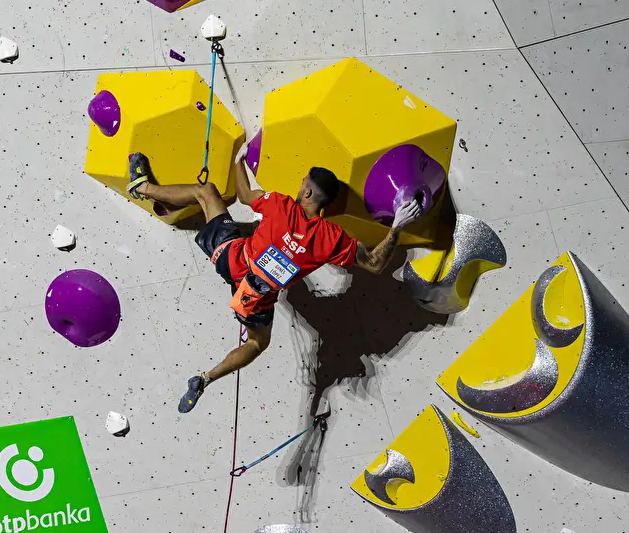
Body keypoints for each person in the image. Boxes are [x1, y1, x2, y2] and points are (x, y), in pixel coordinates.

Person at [127, 148, 422, 413]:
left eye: (302, 184)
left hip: (230, 257)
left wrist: (238, 159)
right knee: (257, 344)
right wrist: (396, 226)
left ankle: (144, 188)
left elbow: (244, 194)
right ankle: (205, 378)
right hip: (257, 298)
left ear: (307, 194)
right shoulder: (332, 239)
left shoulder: (281, 205)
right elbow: (374, 263)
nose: (299, 187)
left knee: (206, 191)